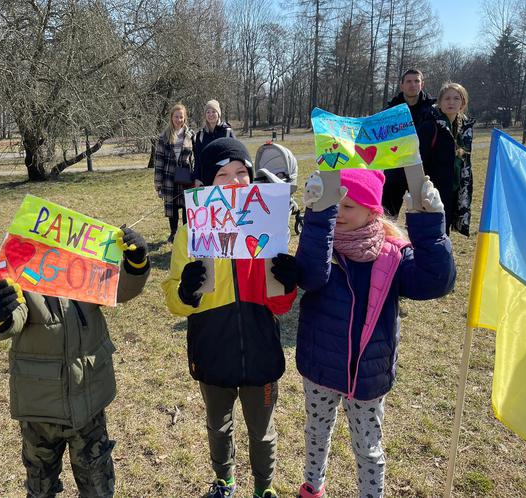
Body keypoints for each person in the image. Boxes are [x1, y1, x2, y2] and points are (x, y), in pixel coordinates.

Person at [294, 169, 456, 498]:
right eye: (334, 204)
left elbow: (435, 281)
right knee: (316, 434)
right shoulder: (320, 247)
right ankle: (313, 485)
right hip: (320, 368)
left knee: (368, 448)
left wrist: (429, 225)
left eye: (349, 206)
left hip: (366, 378)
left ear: (372, 210)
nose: (338, 212)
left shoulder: (393, 254)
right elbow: (310, 276)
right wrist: (316, 216)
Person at [162, 137, 298, 498]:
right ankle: (225, 481)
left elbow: (281, 306)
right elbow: (176, 300)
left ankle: (263, 488)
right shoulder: (191, 232)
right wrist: (185, 290)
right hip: (212, 346)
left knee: (262, 429)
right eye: (224, 175)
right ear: (205, 185)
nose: (236, 182)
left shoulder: (267, 227)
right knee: (218, 425)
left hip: (260, 349)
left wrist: (286, 284)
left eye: (242, 173)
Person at [0, 228, 150, 498]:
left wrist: (136, 262)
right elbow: (9, 322)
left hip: (89, 404)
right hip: (40, 411)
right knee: (40, 486)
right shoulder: (21, 272)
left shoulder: (83, 270)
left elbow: (120, 289)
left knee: (98, 485)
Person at [418, 82, 475, 236]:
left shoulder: (464, 129)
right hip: (432, 193)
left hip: (454, 192)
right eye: (447, 98)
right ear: (440, 102)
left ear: (463, 103)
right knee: (433, 235)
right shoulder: (429, 127)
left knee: (444, 234)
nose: (451, 102)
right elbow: (419, 161)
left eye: (456, 98)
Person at [382, 69, 437, 217]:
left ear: (422, 84)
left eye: (416, 81)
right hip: (395, 170)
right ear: (401, 86)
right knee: (387, 215)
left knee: (422, 214)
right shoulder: (390, 111)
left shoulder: (433, 111)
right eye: (408, 81)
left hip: (423, 170)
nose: (413, 84)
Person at [154, 103, 195, 243]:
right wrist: (158, 183)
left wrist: (195, 176)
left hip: (185, 176)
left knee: (185, 207)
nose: (178, 120)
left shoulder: (191, 135)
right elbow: (159, 161)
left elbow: (195, 158)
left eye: (181, 117)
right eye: (176, 117)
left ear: (185, 118)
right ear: (171, 118)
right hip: (169, 177)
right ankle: (173, 233)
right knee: (172, 206)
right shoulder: (163, 136)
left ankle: (185, 234)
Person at [193, 99, 235, 186]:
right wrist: (197, 178)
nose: (210, 114)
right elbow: (198, 160)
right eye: (208, 112)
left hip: (225, 179)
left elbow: (235, 156)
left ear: (218, 114)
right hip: (206, 180)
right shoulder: (200, 135)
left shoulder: (227, 132)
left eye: (213, 111)